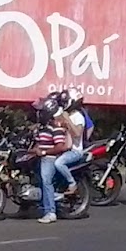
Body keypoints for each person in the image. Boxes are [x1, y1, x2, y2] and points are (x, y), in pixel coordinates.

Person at [35, 91, 85, 223]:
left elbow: (75, 136)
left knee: (56, 167)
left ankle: (71, 184)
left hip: (74, 151)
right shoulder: (60, 116)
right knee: (45, 179)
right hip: (62, 151)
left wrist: (66, 120)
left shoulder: (77, 117)